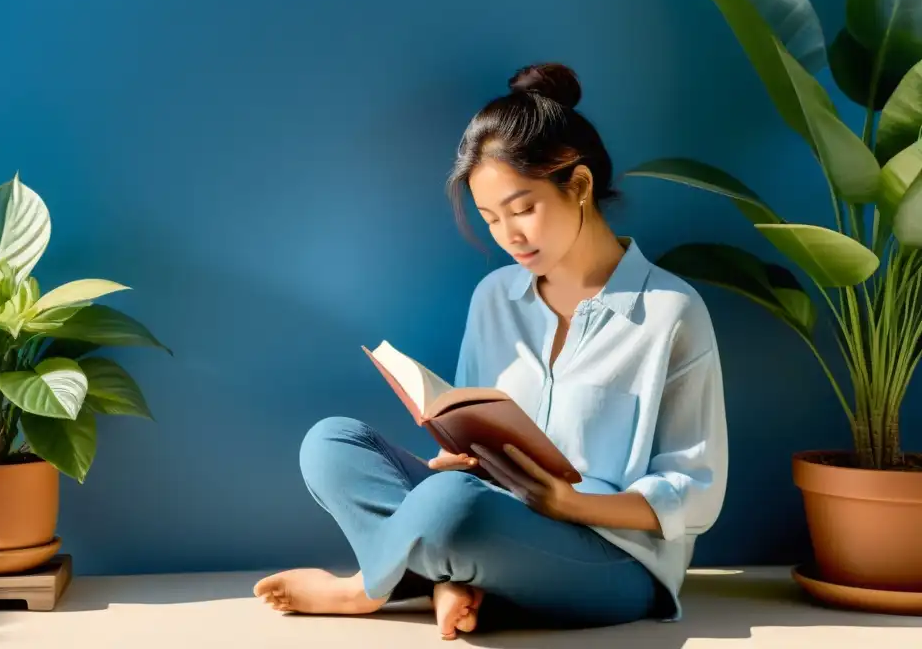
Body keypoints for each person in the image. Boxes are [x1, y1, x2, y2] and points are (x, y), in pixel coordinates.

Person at [254, 63, 728, 639]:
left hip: (616, 562)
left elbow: (695, 493)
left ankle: (367, 588)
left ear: (578, 186)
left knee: (453, 507)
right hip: (494, 521)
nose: (510, 237)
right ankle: (455, 575)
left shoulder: (670, 312)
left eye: (523, 208)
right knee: (331, 443)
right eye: (490, 218)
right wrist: (460, 457)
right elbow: (473, 428)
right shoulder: (494, 298)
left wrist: (569, 504)